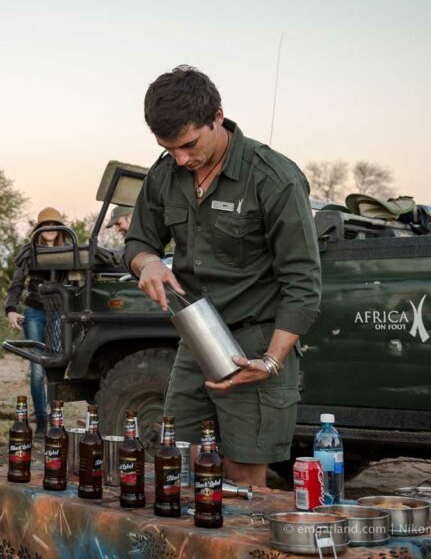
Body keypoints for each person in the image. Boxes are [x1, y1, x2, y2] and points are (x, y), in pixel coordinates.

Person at [124, 65, 321, 487]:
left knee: (242, 476)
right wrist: (149, 262)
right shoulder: (164, 175)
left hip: (255, 345)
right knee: (178, 463)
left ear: (218, 116)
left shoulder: (274, 178)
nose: (180, 158)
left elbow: (303, 281)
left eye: (189, 145)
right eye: (168, 148)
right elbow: (137, 242)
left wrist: (271, 361)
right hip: (196, 338)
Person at [4, 207, 68, 433]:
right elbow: (17, 284)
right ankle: (41, 421)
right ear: (39, 229)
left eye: (54, 224)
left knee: (56, 367)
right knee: (37, 368)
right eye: (45, 225)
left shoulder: (69, 252)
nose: (50, 228)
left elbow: (77, 284)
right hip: (34, 312)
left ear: (60, 229)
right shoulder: (29, 253)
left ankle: (56, 421)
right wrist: (11, 309)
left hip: (58, 313)